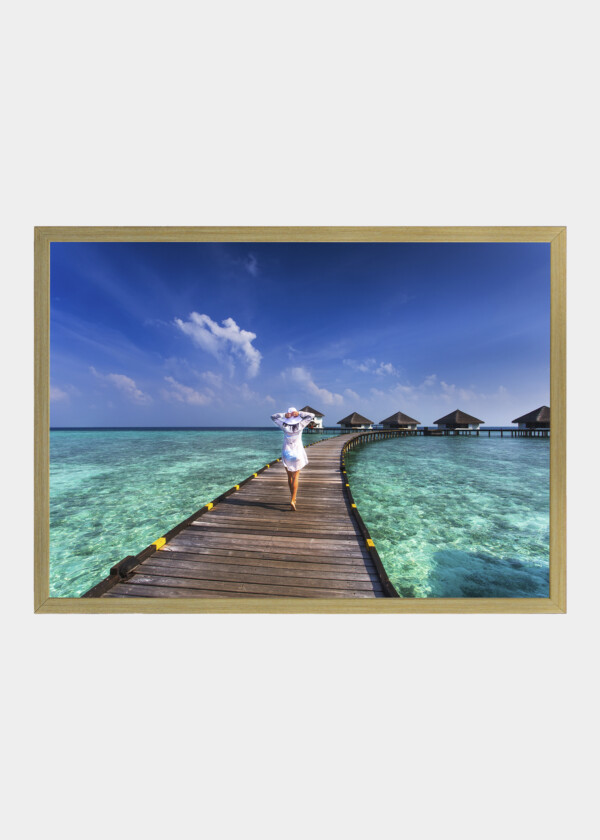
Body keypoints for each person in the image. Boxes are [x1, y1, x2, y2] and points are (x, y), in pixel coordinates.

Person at [270, 406, 315, 510]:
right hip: (297, 452)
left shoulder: (284, 425)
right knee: (296, 477)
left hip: (287, 452)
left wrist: (283, 415)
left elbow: (273, 417)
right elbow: (311, 416)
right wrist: (299, 413)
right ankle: (293, 499)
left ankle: (293, 498)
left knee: (289, 477)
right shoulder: (301, 424)